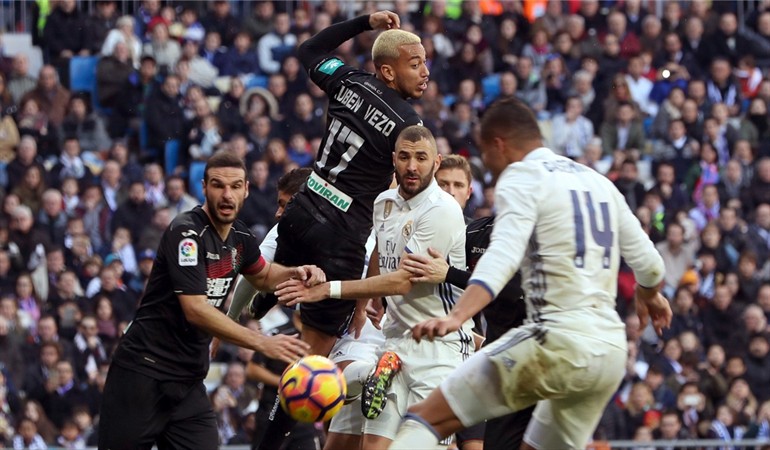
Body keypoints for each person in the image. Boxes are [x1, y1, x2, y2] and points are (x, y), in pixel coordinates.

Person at [387, 97, 672, 450]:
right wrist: (649, 294)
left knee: (427, 416)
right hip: (609, 352)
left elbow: (502, 257)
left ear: (499, 143)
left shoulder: (522, 176)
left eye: (486, 154)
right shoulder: (597, 181)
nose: (487, 166)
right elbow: (650, 264)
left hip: (555, 340)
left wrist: (458, 315)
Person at [251, 10, 426, 449]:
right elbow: (415, 184)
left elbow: (310, 50)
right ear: (388, 70)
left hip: (303, 208)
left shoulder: (346, 81)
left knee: (255, 292)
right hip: (341, 238)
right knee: (312, 362)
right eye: (415, 63)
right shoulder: (409, 126)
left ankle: (214, 338)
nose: (425, 72)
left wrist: (363, 21)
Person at [97, 150, 319, 449]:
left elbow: (263, 276)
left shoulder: (241, 237)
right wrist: (262, 342)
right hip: (143, 374)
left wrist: (298, 271)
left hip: (188, 382)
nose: (227, 195)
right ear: (204, 187)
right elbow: (196, 310)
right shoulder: (186, 233)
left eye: (235, 186)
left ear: (247, 189)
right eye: (218, 185)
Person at [276, 125, 472, 450]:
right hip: (394, 346)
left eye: (421, 158)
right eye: (405, 157)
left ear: (435, 163)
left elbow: (403, 281)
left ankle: (351, 378)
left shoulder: (442, 210)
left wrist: (329, 290)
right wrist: (365, 300)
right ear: (393, 159)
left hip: (440, 349)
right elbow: (382, 250)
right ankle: (358, 377)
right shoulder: (383, 203)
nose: (412, 166)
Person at [403, 154, 532, 450]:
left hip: (522, 355)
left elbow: (511, 290)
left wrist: (449, 274)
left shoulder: (527, 239)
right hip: (462, 352)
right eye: (443, 184)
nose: (449, 191)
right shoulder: (465, 233)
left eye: (457, 185)